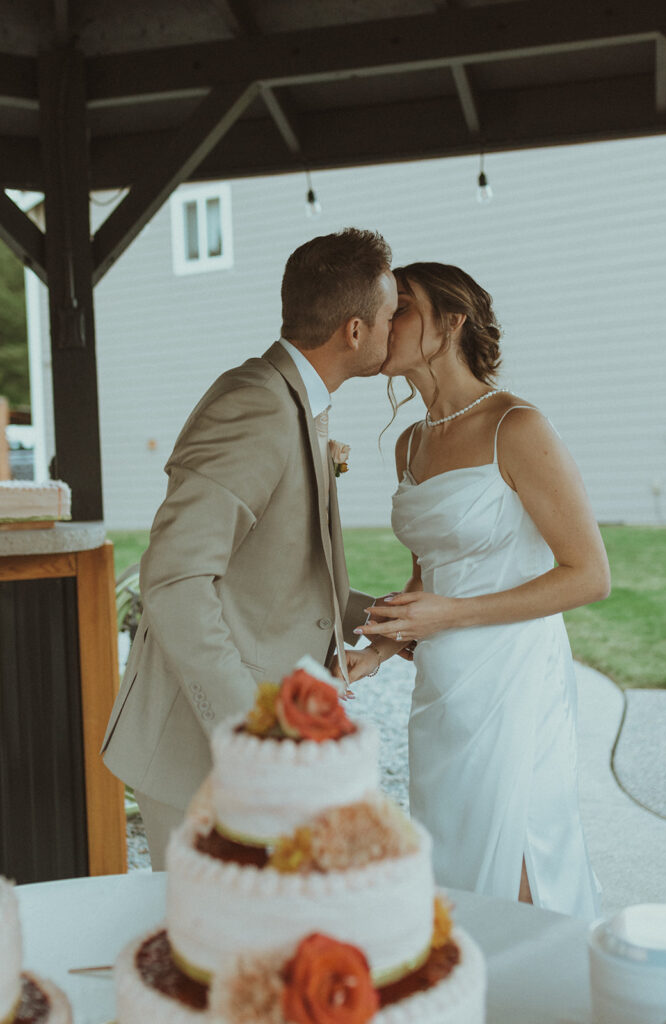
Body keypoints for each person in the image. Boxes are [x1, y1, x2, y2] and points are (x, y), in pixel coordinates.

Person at [101, 228, 398, 868]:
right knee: (215, 953)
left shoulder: (300, 402)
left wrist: (385, 617)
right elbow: (175, 582)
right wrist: (251, 729)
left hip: (262, 754)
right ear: (354, 331)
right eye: (391, 313)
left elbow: (274, 573)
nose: (395, 326)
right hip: (202, 758)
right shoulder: (255, 406)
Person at [346, 262, 609, 918]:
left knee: (516, 849)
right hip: (442, 685)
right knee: (454, 854)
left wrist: (453, 615)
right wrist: (379, 647)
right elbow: (426, 575)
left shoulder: (514, 427)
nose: (386, 321)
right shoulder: (410, 443)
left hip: (513, 677)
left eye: (401, 306)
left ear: (452, 322)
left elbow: (589, 575)